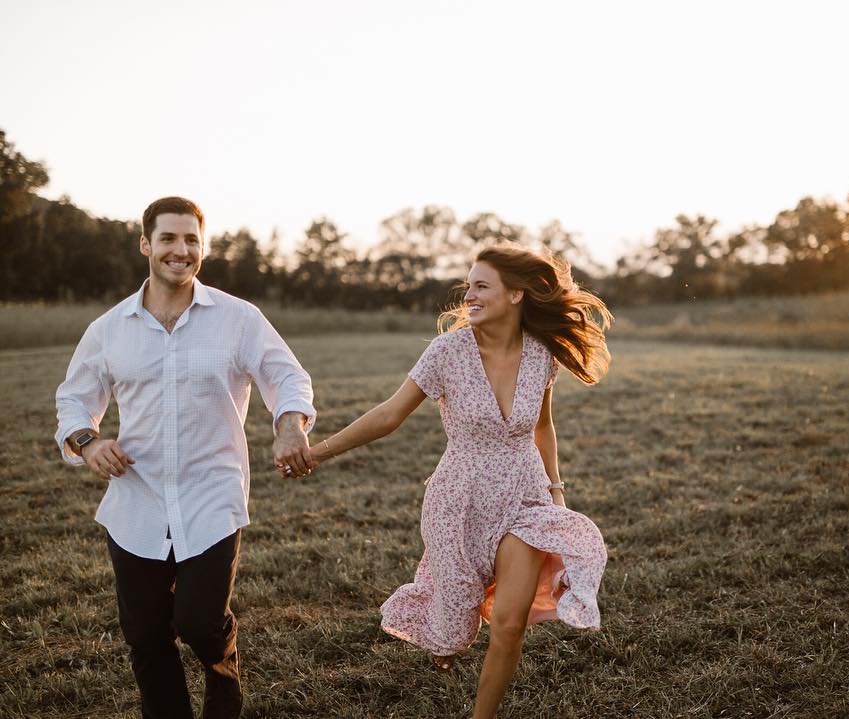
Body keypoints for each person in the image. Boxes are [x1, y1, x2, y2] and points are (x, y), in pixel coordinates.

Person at [309, 243, 611, 718]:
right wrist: (317, 453)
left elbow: (542, 427)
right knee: (455, 613)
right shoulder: (446, 352)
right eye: (468, 285)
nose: (468, 294)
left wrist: (556, 493)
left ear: (515, 295)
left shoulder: (542, 356)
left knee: (509, 625)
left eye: (481, 286)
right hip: (459, 499)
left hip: (523, 496)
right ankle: (446, 635)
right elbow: (390, 415)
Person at [54, 196, 317, 719]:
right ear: (146, 244)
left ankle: (224, 683)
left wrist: (289, 426)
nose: (181, 250)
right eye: (169, 238)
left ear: (204, 246)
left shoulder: (239, 319)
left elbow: (287, 377)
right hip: (137, 501)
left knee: (199, 623)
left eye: (191, 239)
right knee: (147, 636)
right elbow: (74, 399)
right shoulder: (109, 329)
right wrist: (89, 442)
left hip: (211, 496)